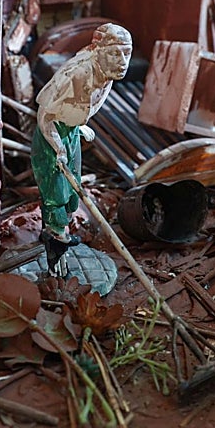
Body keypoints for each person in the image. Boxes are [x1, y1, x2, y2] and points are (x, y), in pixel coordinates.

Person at [31, 23, 132, 275]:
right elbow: (44, 114)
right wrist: (57, 147)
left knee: (73, 196)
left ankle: (55, 238)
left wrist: (78, 125)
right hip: (51, 134)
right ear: (98, 51)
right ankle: (56, 252)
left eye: (126, 53)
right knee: (57, 195)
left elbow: (82, 106)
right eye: (114, 53)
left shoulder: (107, 74)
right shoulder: (77, 74)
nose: (122, 61)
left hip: (70, 131)